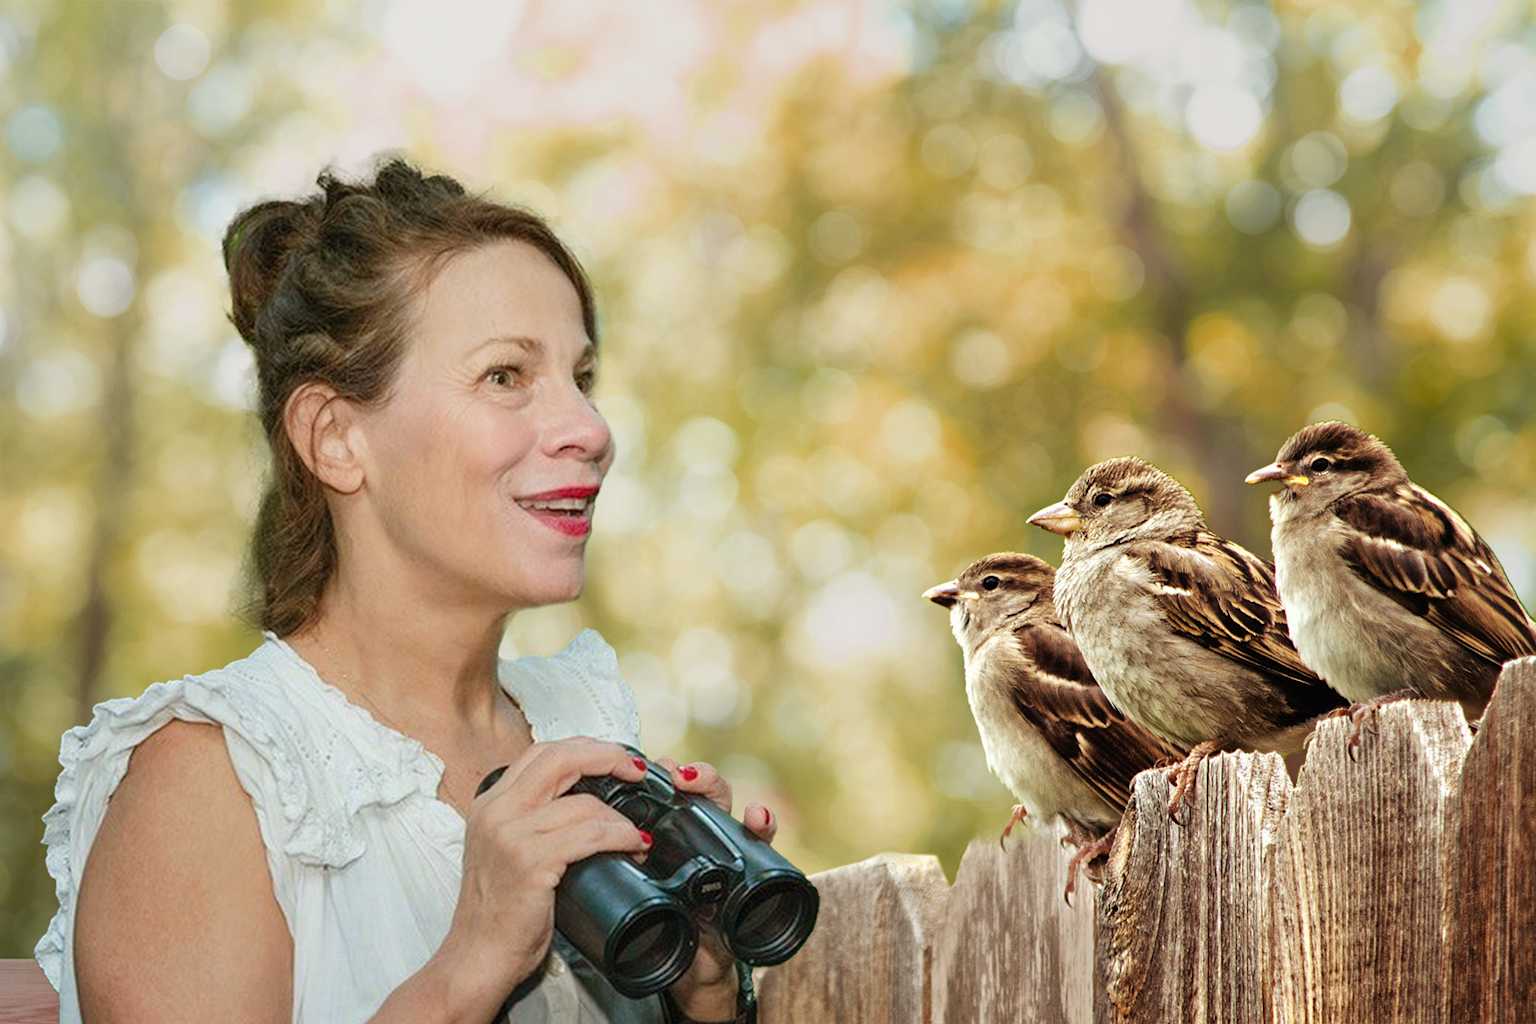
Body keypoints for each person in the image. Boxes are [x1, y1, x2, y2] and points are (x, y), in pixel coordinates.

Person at [34, 157, 774, 1023]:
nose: (590, 430)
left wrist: (709, 996)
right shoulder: (208, 783)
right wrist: (470, 966)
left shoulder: (588, 727)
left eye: (582, 379)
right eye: (506, 376)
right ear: (336, 438)